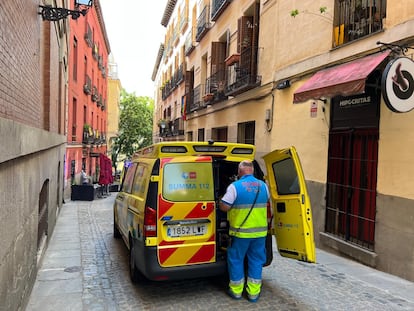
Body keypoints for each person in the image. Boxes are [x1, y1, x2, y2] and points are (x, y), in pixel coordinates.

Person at [219, 160, 270, 303]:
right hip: (260, 234)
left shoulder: (235, 187)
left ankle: (236, 291)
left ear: (239, 171)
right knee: (256, 261)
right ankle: (253, 293)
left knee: (236, 260)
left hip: (240, 233)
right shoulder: (264, 186)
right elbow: (266, 203)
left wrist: (220, 202)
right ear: (252, 171)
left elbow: (225, 207)